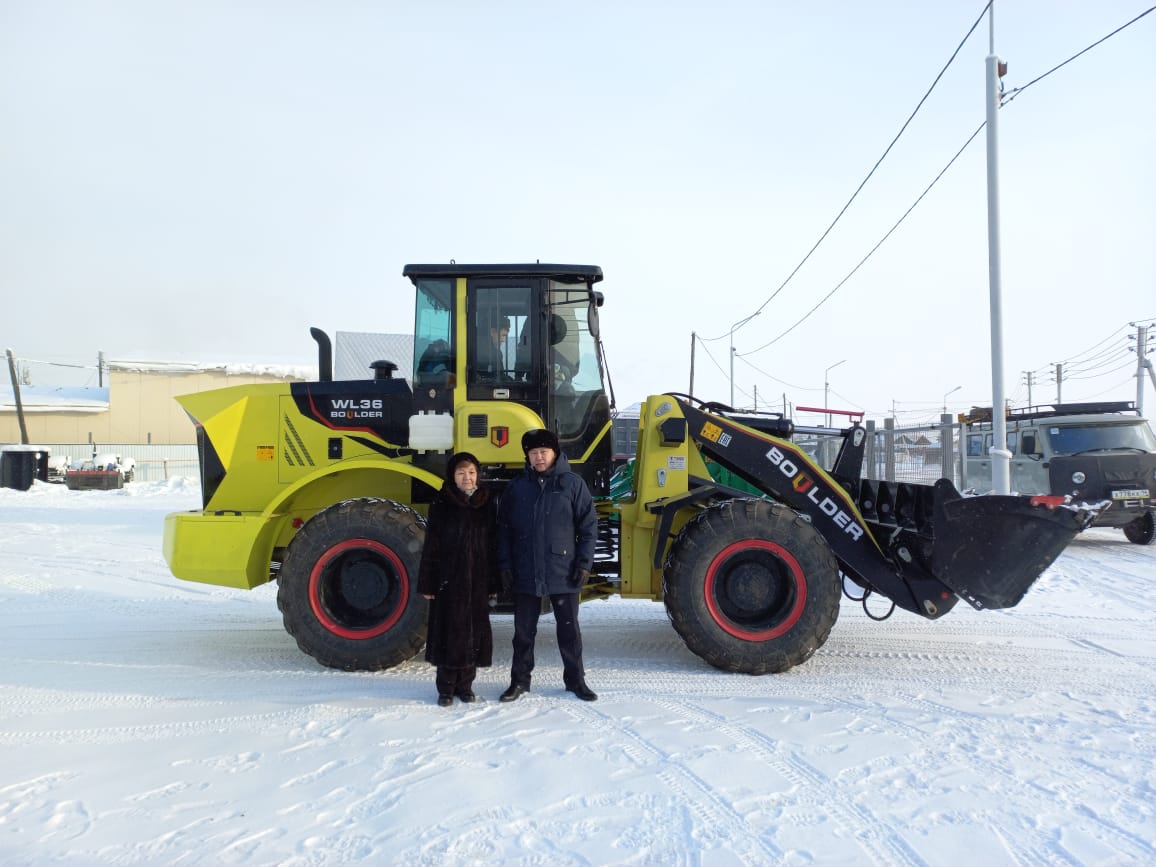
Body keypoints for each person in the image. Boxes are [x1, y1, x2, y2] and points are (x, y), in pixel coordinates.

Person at [496, 428, 599, 702]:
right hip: (525, 569)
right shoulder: (517, 487)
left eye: (543, 452)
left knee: (569, 631)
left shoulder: (572, 484)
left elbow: (588, 528)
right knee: (523, 633)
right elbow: (503, 529)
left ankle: (576, 681)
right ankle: (519, 682)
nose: (539, 457)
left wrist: (584, 564)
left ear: (555, 453)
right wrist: (505, 565)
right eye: (533, 453)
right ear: (527, 456)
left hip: (563, 570)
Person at [417, 452, 500, 706]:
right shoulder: (442, 502)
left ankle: (465, 686)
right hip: (448, 580)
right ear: (452, 476)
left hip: (477, 581)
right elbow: (431, 545)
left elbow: (493, 545)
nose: (467, 477)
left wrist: (493, 582)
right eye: (461, 473)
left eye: (472, 472)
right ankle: (445, 689)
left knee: (472, 636)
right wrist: (429, 582)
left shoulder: (485, 502)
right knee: (448, 634)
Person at [477, 315, 511, 380]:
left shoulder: (497, 352)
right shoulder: (482, 353)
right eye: (503, 335)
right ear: (492, 332)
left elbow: (501, 375)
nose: (503, 340)